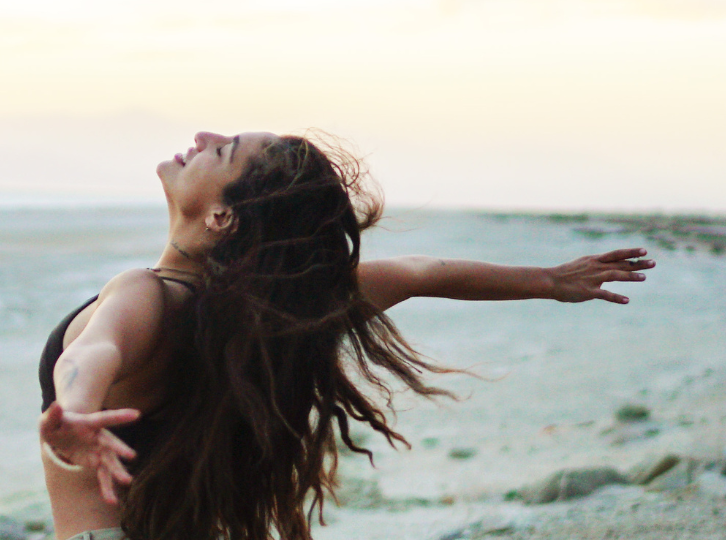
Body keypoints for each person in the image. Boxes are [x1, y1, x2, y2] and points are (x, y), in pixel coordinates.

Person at [38, 131, 652, 540]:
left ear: (221, 217)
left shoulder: (148, 293)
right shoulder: (266, 314)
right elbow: (422, 274)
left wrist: (77, 410)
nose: (201, 139)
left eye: (219, 150)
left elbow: (96, 349)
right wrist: (548, 278)